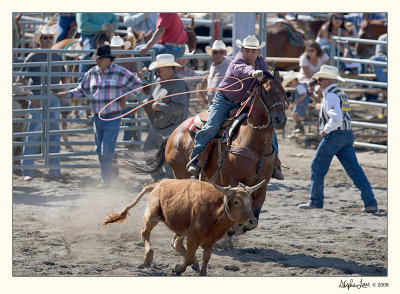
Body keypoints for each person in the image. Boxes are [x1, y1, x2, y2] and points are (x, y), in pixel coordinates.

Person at [186, 35, 284, 180]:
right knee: (212, 126)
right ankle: (197, 158)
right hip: (225, 101)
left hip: (245, 101)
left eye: (253, 51)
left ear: (258, 52)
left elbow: (266, 77)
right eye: (247, 50)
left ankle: (274, 162)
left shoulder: (261, 62)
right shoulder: (237, 61)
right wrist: (252, 73)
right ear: (242, 50)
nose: (250, 54)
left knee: (268, 127)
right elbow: (241, 70)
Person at [56, 44, 142, 186]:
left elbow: (138, 84)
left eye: (101, 59)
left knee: (106, 150)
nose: (98, 61)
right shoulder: (91, 73)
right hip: (97, 117)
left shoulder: (119, 72)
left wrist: (125, 96)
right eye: (98, 59)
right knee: (100, 150)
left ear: (108, 59)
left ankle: (106, 180)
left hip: (112, 116)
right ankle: (110, 177)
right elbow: (82, 90)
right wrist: (67, 94)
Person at [298, 65, 378, 213]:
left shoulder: (330, 95)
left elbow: (336, 119)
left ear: (328, 80)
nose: (318, 82)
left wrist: (324, 130)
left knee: (317, 167)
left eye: (320, 79)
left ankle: (315, 201)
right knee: (355, 170)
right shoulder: (339, 93)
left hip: (335, 135)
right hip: (347, 135)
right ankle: (370, 202)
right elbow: (339, 113)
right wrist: (322, 108)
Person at [16, 26, 67, 181]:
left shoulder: (57, 56)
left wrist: (61, 92)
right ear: (40, 39)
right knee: (33, 134)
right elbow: (20, 81)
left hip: (52, 98)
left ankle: (54, 171)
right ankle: (28, 171)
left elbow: (64, 77)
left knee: (53, 135)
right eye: (45, 37)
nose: (48, 40)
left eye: (50, 37)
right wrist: (31, 97)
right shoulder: (33, 56)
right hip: (37, 97)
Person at [143, 54, 189, 180]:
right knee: (148, 151)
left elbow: (181, 108)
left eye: (159, 70)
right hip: (157, 127)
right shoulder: (159, 82)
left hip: (172, 129)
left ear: (169, 70)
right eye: (157, 70)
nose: (157, 73)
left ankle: (170, 182)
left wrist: (162, 107)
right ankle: (159, 179)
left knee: (168, 158)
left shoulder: (178, 85)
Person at [75, 13, 119, 82]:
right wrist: (101, 27)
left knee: (118, 51)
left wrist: (112, 28)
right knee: (88, 53)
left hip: (106, 35)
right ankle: (81, 81)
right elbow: (83, 25)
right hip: (88, 35)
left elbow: (115, 20)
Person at [197, 40, 233, 106]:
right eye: (215, 52)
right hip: (212, 103)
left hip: (223, 104)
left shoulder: (229, 67)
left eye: (221, 52)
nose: (218, 54)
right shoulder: (212, 66)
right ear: (212, 54)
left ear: (225, 54)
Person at [282, 71, 309, 135]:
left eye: (290, 83)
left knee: (296, 115)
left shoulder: (299, 86)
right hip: (301, 104)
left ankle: (300, 128)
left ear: (294, 80)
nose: (290, 85)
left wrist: (296, 102)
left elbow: (304, 95)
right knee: (295, 115)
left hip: (301, 104)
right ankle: (298, 127)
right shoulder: (300, 86)